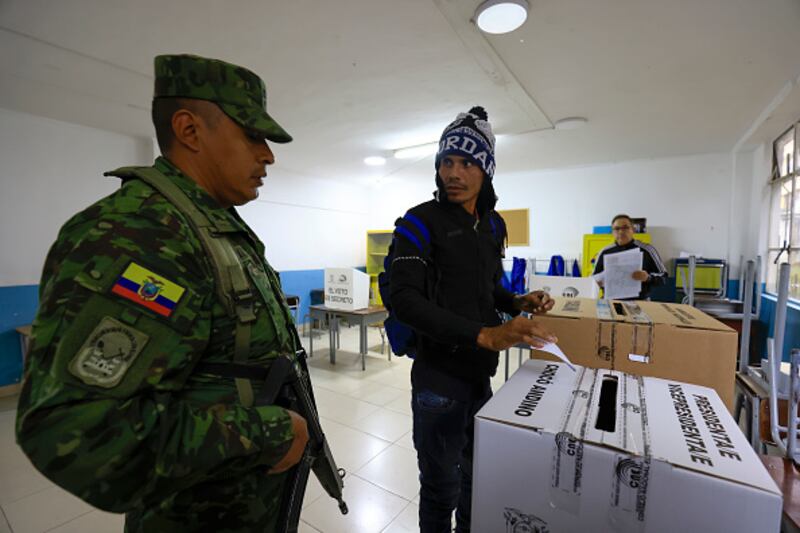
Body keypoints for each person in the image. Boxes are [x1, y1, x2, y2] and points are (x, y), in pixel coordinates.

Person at [15, 54, 311, 532]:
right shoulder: (144, 232)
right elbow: (81, 435)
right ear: (190, 131)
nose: (268, 154)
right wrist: (270, 433)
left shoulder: (210, 226)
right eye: (253, 135)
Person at [389, 106, 557, 533]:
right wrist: (485, 334)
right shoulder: (417, 223)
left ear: (487, 170)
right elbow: (404, 300)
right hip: (437, 381)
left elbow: (488, 288)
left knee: (475, 475)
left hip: (480, 378)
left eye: (466, 162)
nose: (453, 173)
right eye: (446, 161)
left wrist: (519, 300)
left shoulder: (493, 225)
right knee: (440, 487)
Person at [592, 213, 668, 300]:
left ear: (633, 230)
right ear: (612, 232)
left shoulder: (647, 250)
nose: (621, 232)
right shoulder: (604, 252)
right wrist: (597, 283)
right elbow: (593, 280)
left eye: (625, 227)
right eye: (617, 229)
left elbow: (663, 277)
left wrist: (648, 277)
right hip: (611, 301)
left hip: (639, 303)